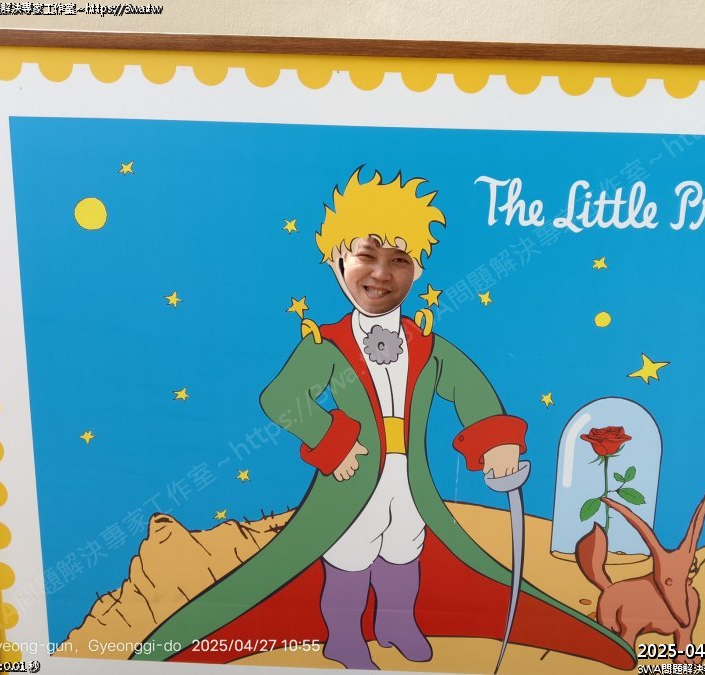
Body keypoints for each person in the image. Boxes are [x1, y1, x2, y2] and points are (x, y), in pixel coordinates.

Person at [133, 169, 634, 672]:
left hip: (410, 480)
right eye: (366, 256)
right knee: (350, 558)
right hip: (350, 483)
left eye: (399, 260)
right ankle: (344, 638)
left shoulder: (426, 344)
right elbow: (281, 398)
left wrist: (497, 443)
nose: (381, 273)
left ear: (417, 272)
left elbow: (469, 389)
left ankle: (396, 624)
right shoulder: (325, 345)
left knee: (404, 550)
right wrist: (330, 440)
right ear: (337, 262)